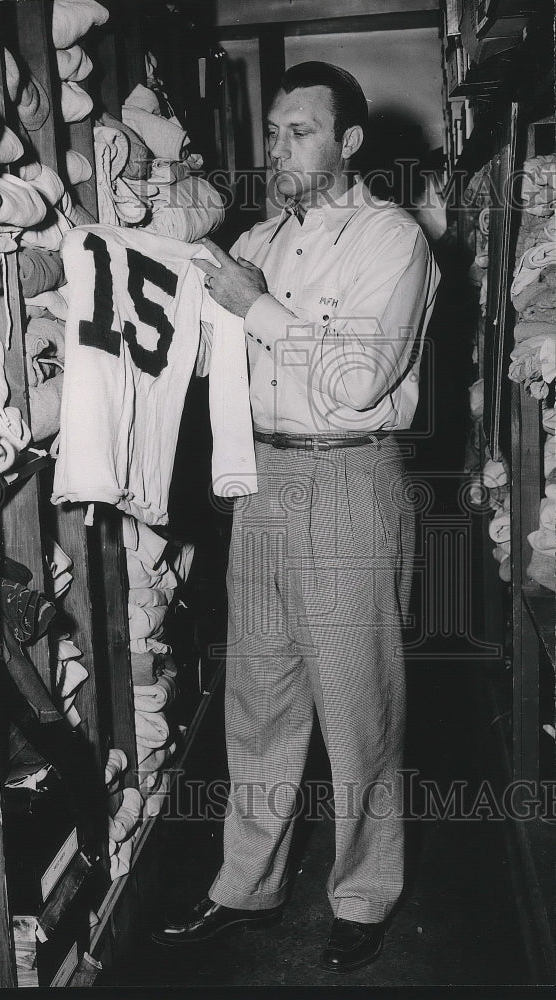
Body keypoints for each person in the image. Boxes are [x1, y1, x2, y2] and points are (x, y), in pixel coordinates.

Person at [152, 61, 440, 974]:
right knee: (259, 700)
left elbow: (359, 379)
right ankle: (245, 884)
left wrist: (255, 307)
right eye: (272, 132)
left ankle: (361, 897)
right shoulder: (261, 240)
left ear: (348, 142)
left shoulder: (390, 240)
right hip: (262, 478)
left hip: (348, 480)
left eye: (299, 132)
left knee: (357, 706)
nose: (277, 149)